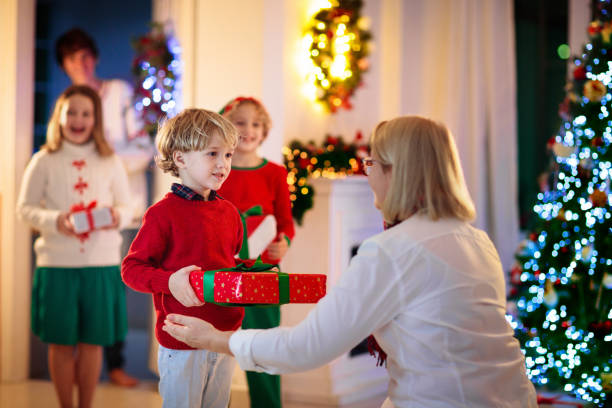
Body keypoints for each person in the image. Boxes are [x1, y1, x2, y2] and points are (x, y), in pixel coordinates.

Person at [162, 115, 539, 408]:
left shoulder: (393, 251)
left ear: (397, 172)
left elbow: (307, 347)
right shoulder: (477, 240)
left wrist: (217, 339)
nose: (367, 172)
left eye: (371, 163)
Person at [16, 85, 133, 408]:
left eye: (86, 113)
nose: (78, 120)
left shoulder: (110, 161)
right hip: (57, 265)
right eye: (72, 113)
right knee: (61, 344)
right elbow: (24, 208)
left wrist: (114, 215)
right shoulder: (44, 160)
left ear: (95, 119)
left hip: (101, 265)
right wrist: (57, 220)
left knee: (93, 343)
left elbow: (128, 207)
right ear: (60, 117)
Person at [121, 108, 245, 408]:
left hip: (223, 336)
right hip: (183, 340)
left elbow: (230, 264)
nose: (223, 164)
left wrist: (254, 278)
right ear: (180, 158)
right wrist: (170, 282)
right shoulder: (161, 215)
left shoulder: (229, 213)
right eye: (213, 153)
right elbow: (132, 270)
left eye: (228, 155)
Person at [55, 27, 153, 387]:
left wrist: (105, 158)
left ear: (94, 58)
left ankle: (115, 365)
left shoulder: (119, 93)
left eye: (86, 55)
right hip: (80, 214)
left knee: (114, 289)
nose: (81, 64)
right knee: (83, 286)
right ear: (65, 66)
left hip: (122, 211)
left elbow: (145, 150)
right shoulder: (66, 106)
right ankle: (78, 362)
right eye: (72, 58)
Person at [217, 96, 295, 408]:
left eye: (255, 123)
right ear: (226, 127)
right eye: (240, 122)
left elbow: (286, 224)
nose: (248, 129)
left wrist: (284, 242)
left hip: (263, 272)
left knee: (263, 349)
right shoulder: (217, 170)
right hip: (222, 271)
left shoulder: (275, 174)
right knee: (217, 348)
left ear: (264, 131)